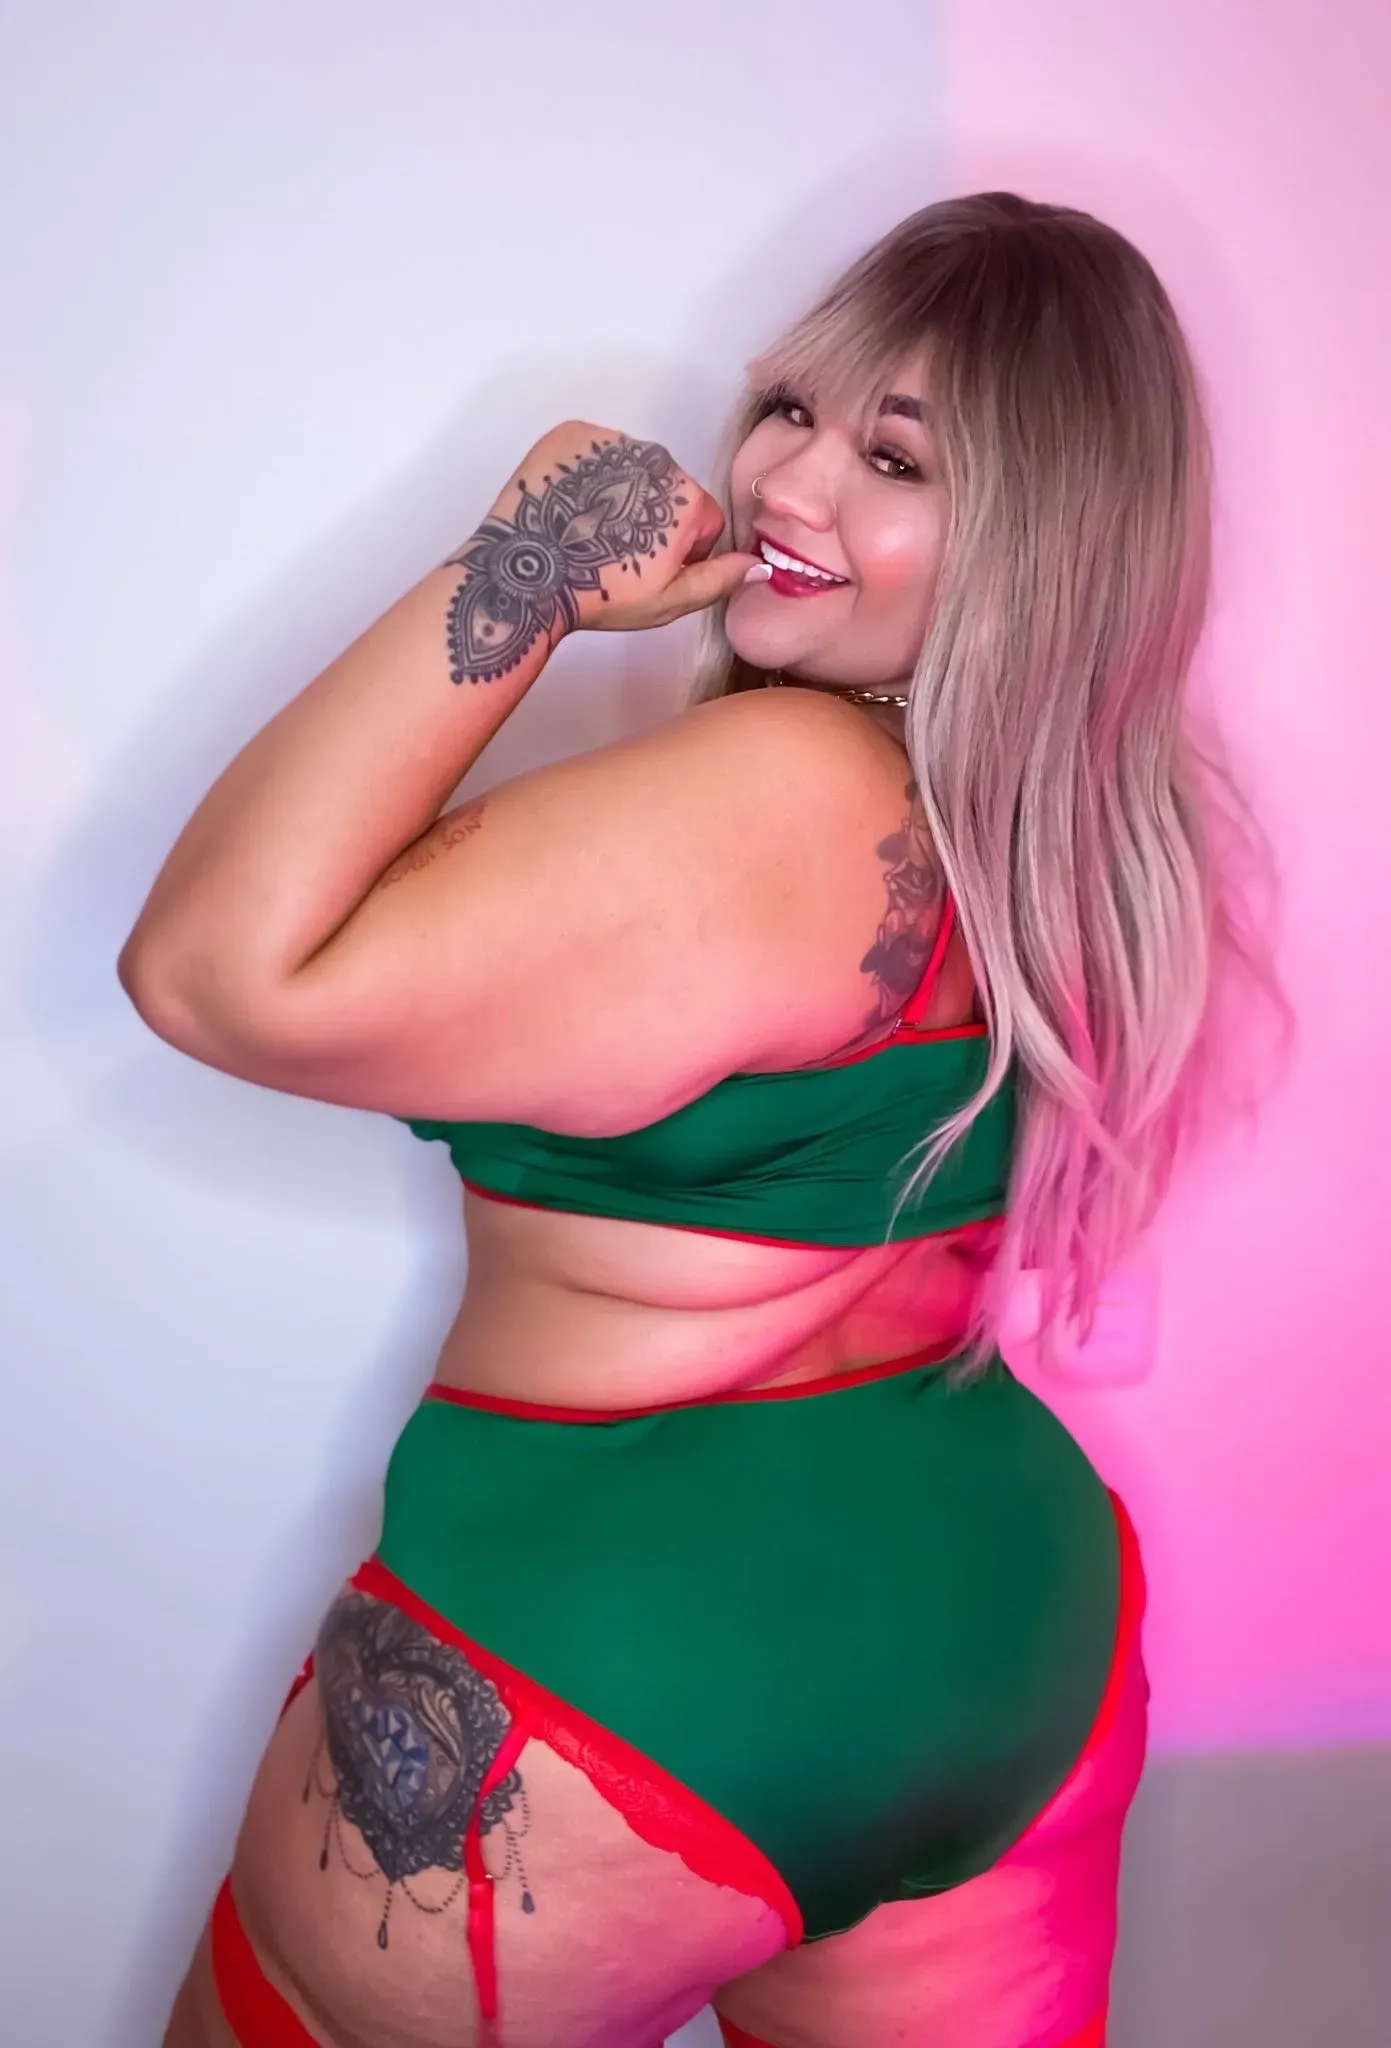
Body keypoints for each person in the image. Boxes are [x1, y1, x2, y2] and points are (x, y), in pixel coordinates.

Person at [119, 191, 1264, 2048]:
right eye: (790, 409)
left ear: (1040, 534)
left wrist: (530, 553)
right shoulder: (1080, 835)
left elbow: (214, 971)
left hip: (617, 1667)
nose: (787, 480)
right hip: (1009, 1628)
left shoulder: (787, 792)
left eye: (894, 458)